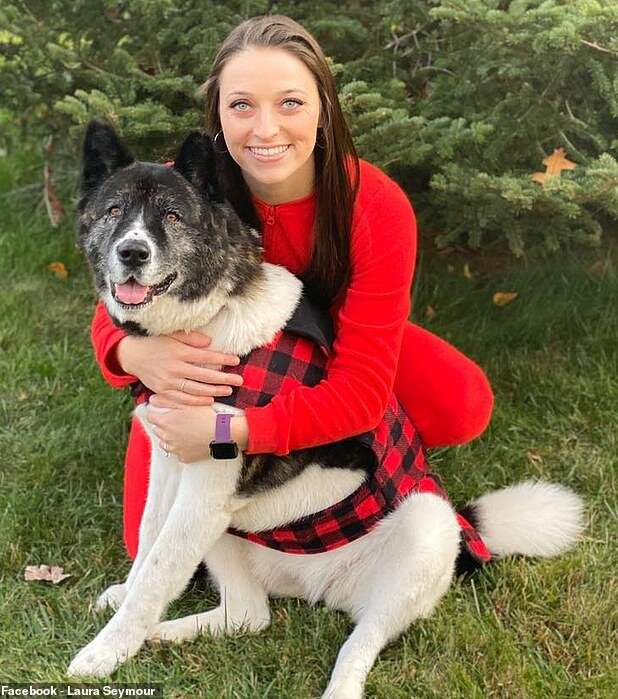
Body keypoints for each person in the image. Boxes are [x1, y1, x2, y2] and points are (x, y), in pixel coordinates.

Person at [90, 15, 494, 559]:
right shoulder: (178, 190)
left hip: (337, 339)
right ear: (217, 114)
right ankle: (241, 470)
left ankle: (323, 452)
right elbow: (116, 291)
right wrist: (131, 353)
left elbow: (363, 390)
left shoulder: (374, 204)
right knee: (144, 541)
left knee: (461, 401)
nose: (265, 129)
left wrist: (230, 431)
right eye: (241, 105)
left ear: (323, 108)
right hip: (218, 355)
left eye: (290, 103)